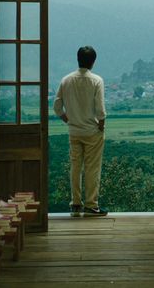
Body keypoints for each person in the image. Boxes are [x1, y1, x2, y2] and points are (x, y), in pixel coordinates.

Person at [53, 46, 108, 217]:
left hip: (74, 131)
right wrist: (101, 125)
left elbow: (57, 107)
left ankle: (75, 204)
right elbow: (100, 110)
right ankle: (91, 205)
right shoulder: (96, 80)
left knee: (75, 167)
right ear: (93, 62)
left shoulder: (66, 80)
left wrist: (68, 120)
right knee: (92, 168)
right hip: (92, 131)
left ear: (78, 59)